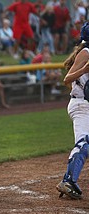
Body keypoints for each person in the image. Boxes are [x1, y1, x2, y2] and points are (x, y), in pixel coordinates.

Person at [56, 22, 89, 199]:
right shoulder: (86, 53)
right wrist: (84, 70)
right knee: (84, 143)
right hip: (82, 106)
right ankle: (68, 181)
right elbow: (67, 78)